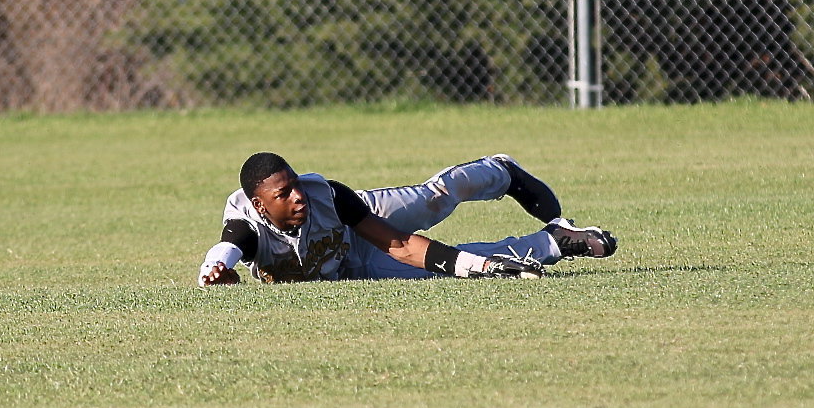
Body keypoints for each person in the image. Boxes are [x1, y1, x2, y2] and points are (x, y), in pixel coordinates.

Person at [198, 153, 617, 286]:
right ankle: (555, 242)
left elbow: (398, 243)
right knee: (451, 270)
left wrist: (216, 265)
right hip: (348, 267)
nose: (297, 196)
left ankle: (499, 170)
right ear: (259, 205)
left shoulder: (327, 196)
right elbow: (227, 248)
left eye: (296, 185)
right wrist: (215, 271)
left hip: (361, 221)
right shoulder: (248, 225)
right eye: (283, 194)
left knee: (432, 200)